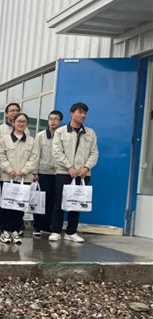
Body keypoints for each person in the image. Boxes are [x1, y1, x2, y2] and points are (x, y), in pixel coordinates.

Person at [50, 102, 98, 243]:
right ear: (72, 113)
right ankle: (56, 231)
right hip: (64, 172)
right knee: (59, 203)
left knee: (77, 203)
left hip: (82, 174)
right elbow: (57, 152)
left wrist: (86, 168)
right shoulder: (60, 132)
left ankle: (71, 232)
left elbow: (94, 153)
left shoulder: (90, 133)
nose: (83, 115)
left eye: (85, 113)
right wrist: (69, 167)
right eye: (80, 112)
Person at [0, 112, 38, 244]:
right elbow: (0, 156)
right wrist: (9, 170)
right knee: (6, 205)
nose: (21, 124)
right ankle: (5, 231)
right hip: (7, 178)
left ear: (27, 124)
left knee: (19, 205)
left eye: (23, 121)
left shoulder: (31, 141)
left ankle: (15, 230)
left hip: (24, 179)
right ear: (13, 123)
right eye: (18, 121)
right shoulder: (4, 140)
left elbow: (34, 158)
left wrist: (24, 171)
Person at [0, 102, 21, 236]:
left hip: (18, 172)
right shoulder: (0, 130)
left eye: (17, 110)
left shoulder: (24, 130)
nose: (14, 113)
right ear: (6, 114)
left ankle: (11, 227)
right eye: (12, 111)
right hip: (2, 170)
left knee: (14, 199)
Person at [33, 110, 63, 236]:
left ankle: (47, 226)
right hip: (43, 172)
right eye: (51, 118)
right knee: (40, 200)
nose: (53, 121)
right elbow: (35, 154)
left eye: (56, 119)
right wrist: (35, 172)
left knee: (54, 200)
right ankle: (37, 227)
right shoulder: (40, 135)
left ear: (60, 121)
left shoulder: (63, 135)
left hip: (58, 172)